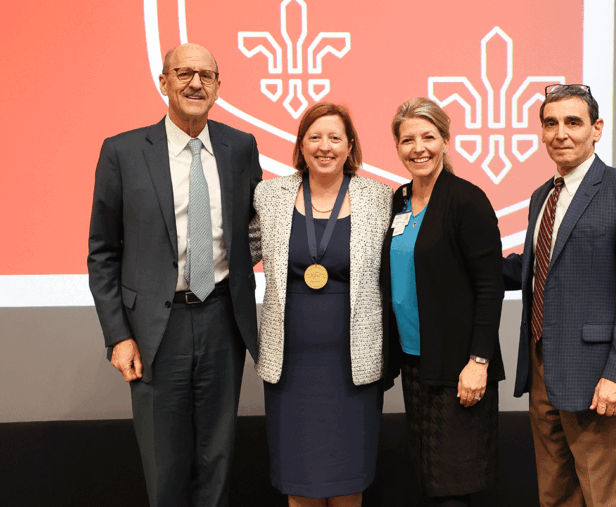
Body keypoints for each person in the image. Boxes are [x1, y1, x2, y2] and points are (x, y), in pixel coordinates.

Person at [87, 43, 261, 507]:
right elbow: (102, 253)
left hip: (223, 318)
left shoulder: (240, 147)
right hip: (153, 331)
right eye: (183, 73)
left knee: (217, 459)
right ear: (163, 83)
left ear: (219, 87)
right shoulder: (122, 152)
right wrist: (117, 336)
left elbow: (255, 228)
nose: (195, 83)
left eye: (206, 75)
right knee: (164, 463)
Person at [502, 84, 616, 506]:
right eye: (550, 123)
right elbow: (540, 267)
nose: (561, 133)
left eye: (573, 122)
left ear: (597, 129)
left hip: (600, 378)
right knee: (555, 494)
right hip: (543, 370)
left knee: (606, 497)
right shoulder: (542, 196)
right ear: (541, 132)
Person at [249, 102, 392, 507]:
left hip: (353, 366)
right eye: (314, 137)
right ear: (301, 144)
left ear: (350, 146)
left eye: (334, 137)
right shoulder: (270, 194)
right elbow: (243, 252)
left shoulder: (380, 197)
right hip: (290, 366)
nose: (324, 146)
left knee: (349, 484)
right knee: (300, 484)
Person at [380, 97, 505, 507]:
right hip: (416, 362)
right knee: (431, 481)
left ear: (446, 141)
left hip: (459, 368)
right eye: (408, 139)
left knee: (453, 486)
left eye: (429, 137)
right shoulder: (399, 200)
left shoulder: (466, 200)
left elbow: (490, 287)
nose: (419, 148)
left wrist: (479, 362)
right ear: (397, 147)